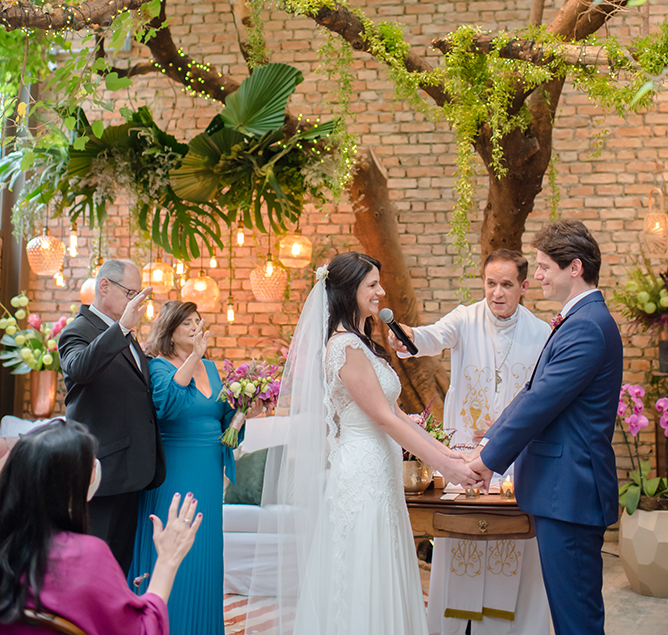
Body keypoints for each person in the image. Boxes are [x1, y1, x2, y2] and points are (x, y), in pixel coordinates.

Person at [245, 252, 483, 635]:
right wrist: (450, 468)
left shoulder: (361, 343)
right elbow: (384, 418)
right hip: (362, 474)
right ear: (349, 290)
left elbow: (400, 414)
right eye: (372, 284)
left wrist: (445, 455)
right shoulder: (344, 348)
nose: (381, 291)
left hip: (379, 470)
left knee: (382, 565)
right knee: (361, 570)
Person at [467, 221, 623, 635]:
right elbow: (533, 390)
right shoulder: (578, 319)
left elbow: (542, 401)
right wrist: (487, 441)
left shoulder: (587, 325)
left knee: (577, 620)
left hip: (570, 490)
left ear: (574, 267)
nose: (535, 277)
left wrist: (487, 460)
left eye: (542, 267)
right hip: (562, 490)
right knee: (570, 613)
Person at [389, 249, 551, 635]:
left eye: (507, 284)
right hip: (465, 462)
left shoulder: (542, 333)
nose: (497, 292)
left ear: (524, 287)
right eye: (490, 283)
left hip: (514, 462)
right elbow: (431, 336)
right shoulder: (465, 318)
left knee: (512, 546)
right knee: (461, 542)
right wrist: (411, 338)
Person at [0, 419, 201, 635]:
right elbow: (140, 631)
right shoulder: (87, 556)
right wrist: (167, 561)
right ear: (72, 487)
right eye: (91, 467)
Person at [129, 301, 258, 635]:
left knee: (204, 549)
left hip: (209, 471)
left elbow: (225, 423)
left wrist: (245, 411)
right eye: (187, 323)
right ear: (170, 330)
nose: (195, 327)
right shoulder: (157, 366)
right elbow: (166, 405)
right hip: (174, 470)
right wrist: (193, 358)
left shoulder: (212, 369)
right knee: (174, 546)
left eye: (198, 322)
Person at [58, 258, 166, 573]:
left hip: (131, 469)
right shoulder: (77, 330)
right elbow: (80, 369)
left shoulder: (127, 335)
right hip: (101, 470)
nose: (135, 301)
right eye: (130, 292)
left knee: (118, 568)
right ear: (104, 286)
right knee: (92, 567)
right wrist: (121, 328)